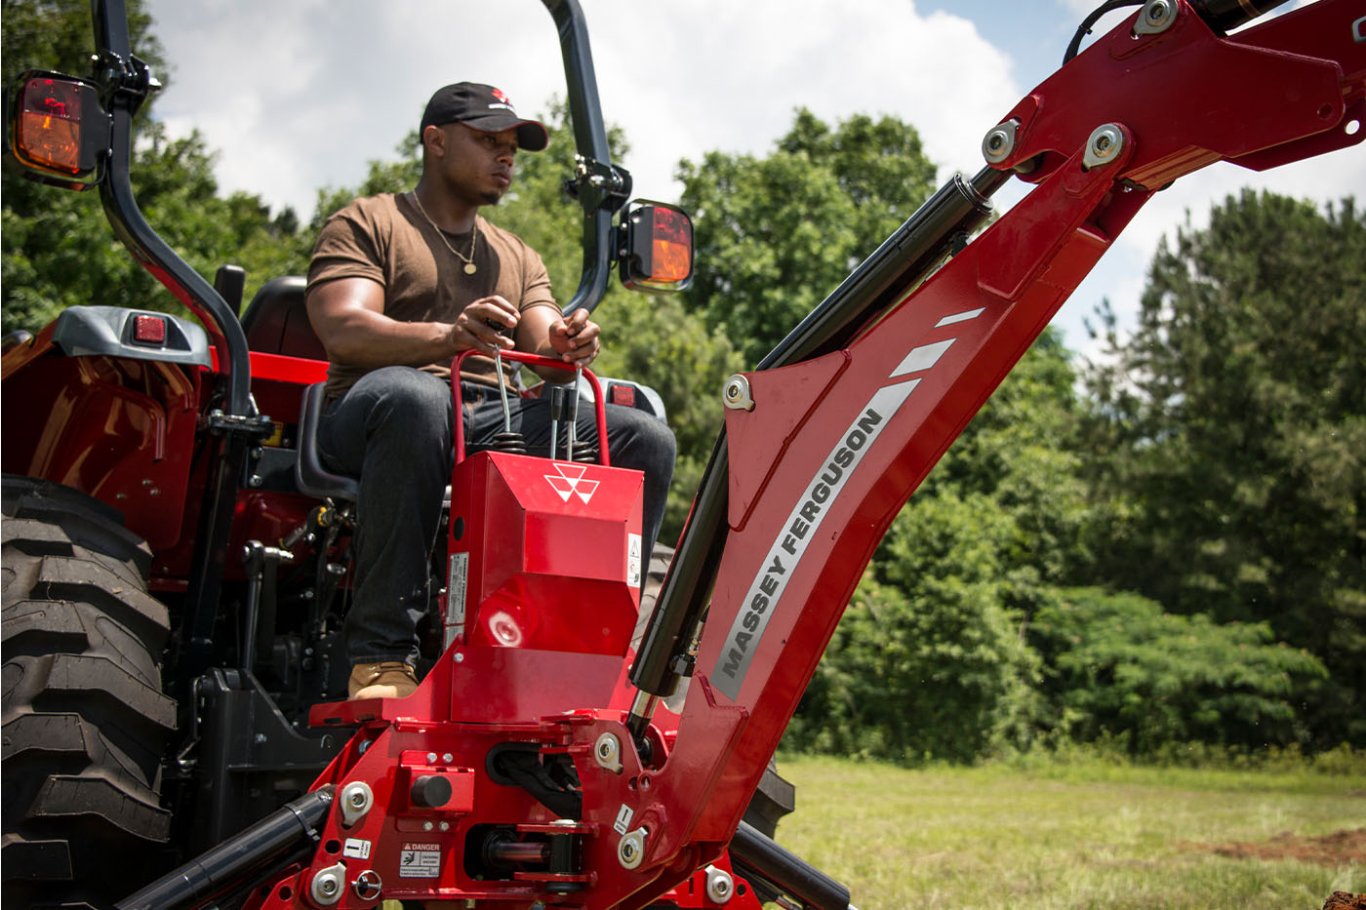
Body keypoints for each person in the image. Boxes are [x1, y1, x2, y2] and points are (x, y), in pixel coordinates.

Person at [305, 82, 675, 700]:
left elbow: (546, 346)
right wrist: (448, 337)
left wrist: (567, 347)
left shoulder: (518, 256)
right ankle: (380, 655)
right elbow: (344, 330)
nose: (506, 158)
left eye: (511, 147)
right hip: (373, 413)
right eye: (488, 142)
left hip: (483, 420)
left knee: (642, 437)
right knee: (416, 401)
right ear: (436, 140)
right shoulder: (368, 221)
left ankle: (603, 652)